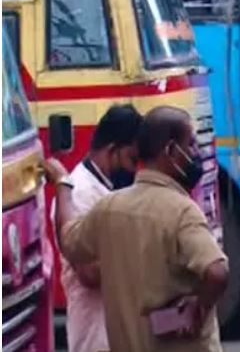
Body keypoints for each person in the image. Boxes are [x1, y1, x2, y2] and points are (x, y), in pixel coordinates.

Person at [45, 106, 229, 352]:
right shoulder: (180, 211)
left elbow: (69, 237)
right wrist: (198, 302)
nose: (196, 153)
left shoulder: (111, 204)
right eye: (191, 145)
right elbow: (217, 272)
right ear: (171, 151)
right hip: (98, 337)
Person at [56, 104, 143, 352]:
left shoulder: (105, 188)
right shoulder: (81, 193)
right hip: (96, 336)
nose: (133, 169)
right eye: (131, 159)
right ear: (112, 150)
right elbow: (88, 272)